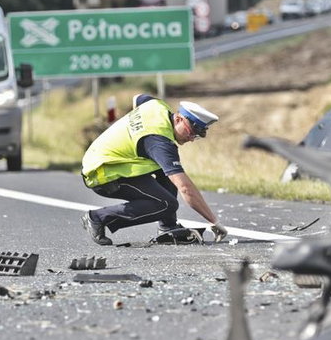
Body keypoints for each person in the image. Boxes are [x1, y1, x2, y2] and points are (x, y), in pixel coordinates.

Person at [80, 94, 228, 245]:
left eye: (195, 136)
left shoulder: (157, 106)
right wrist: (213, 221)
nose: (191, 139)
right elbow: (185, 189)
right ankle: (98, 217)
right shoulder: (159, 143)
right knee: (166, 204)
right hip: (102, 174)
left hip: (101, 157)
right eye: (191, 132)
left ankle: (168, 227)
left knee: (168, 170)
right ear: (178, 119)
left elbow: (138, 98)